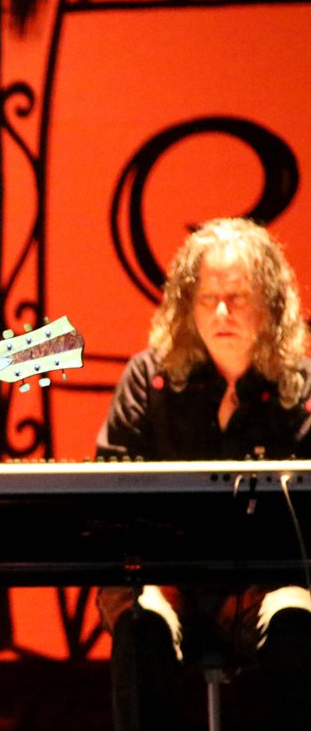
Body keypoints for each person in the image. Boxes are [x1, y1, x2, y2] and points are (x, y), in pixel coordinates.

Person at [96, 217, 311, 730]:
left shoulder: (303, 387)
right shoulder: (148, 381)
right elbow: (109, 495)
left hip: (271, 580)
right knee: (141, 627)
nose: (220, 311)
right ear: (185, 306)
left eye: (237, 298)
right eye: (207, 297)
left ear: (272, 305)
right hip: (165, 579)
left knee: (296, 627)